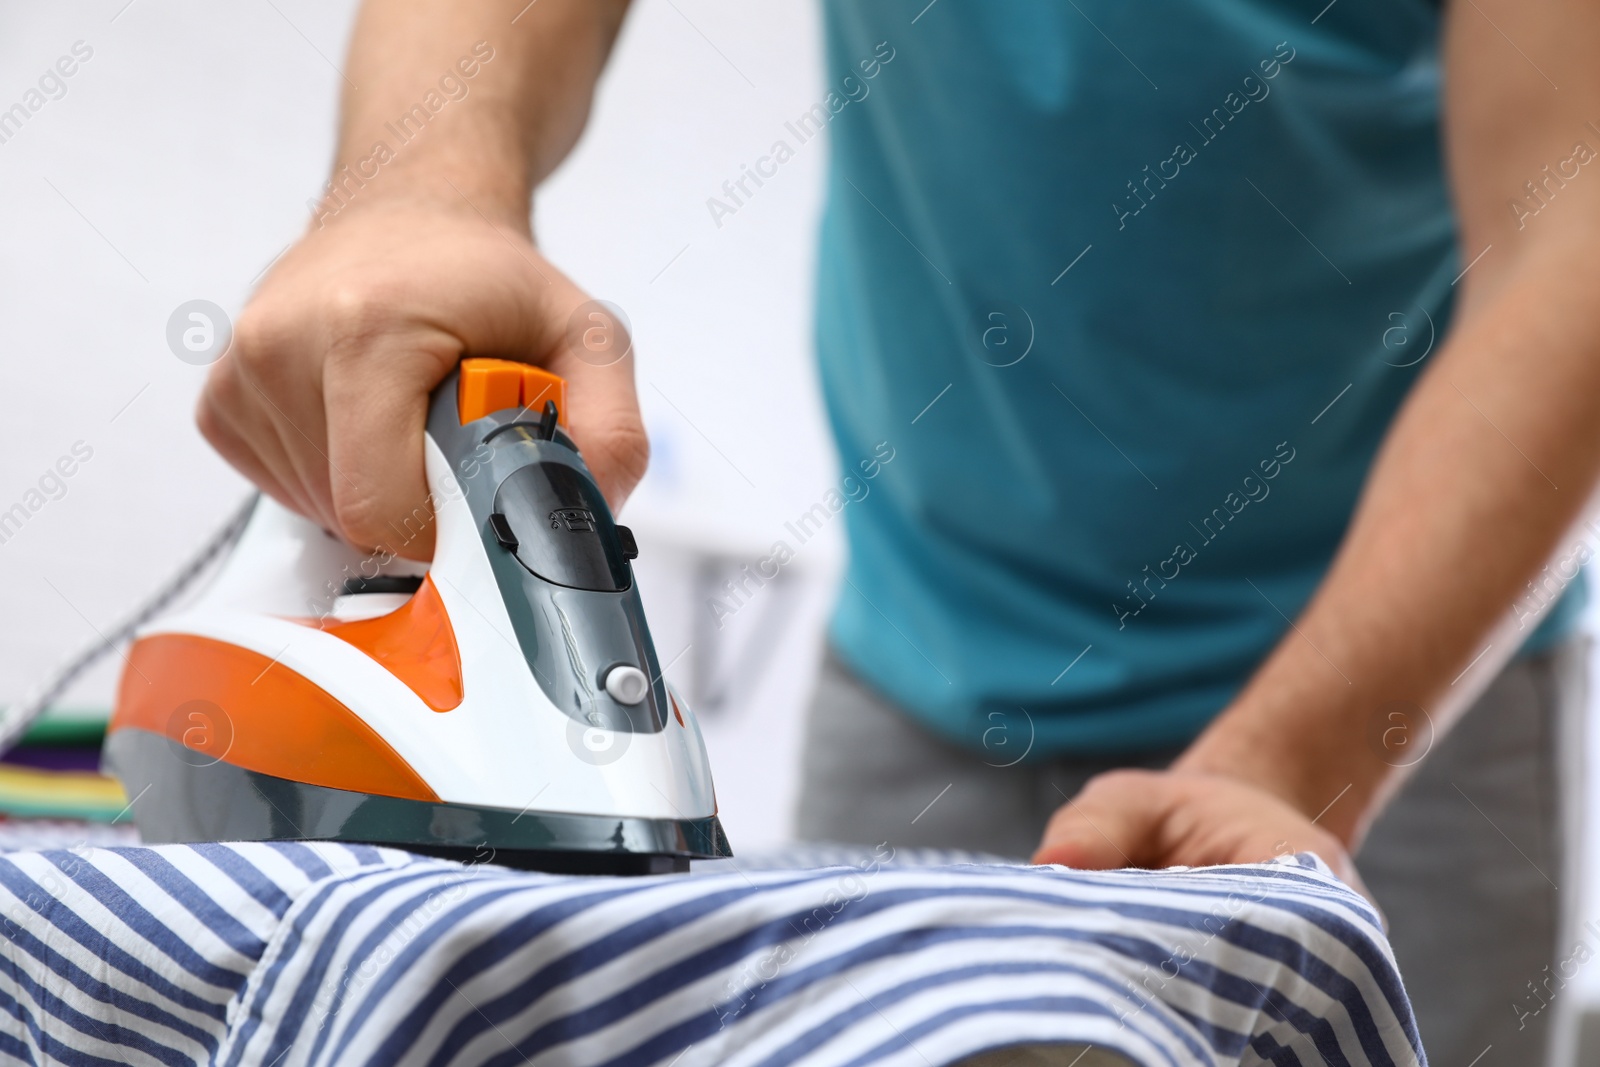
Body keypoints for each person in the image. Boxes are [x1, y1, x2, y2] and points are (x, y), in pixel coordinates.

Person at [199, 1, 1600, 1062]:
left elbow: (1569, 222)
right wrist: (414, 188)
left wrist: (1311, 757)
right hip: (921, 662)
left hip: (1395, 702)